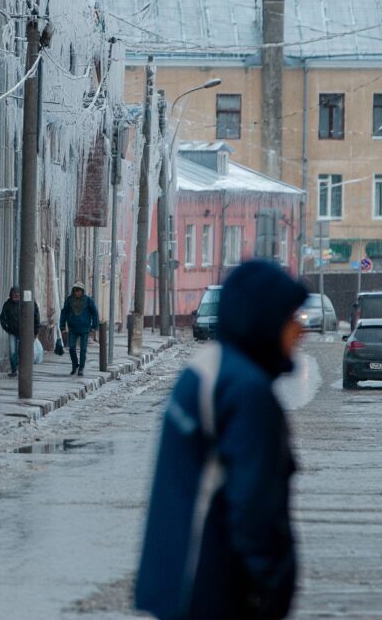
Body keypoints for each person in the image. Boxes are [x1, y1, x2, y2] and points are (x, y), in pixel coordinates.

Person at [136, 261, 308, 620]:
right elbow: (254, 507)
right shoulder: (247, 391)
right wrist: (270, 590)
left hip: (177, 582)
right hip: (217, 590)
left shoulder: (206, 370)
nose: (300, 330)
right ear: (264, 319)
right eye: (291, 317)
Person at [59, 281, 100, 376]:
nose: (77, 292)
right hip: (73, 328)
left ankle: (81, 367)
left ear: (82, 291)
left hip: (85, 328)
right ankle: (75, 365)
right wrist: (62, 326)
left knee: (83, 349)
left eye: (79, 290)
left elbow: (94, 313)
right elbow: (64, 313)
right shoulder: (69, 300)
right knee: (72, 348)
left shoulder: (88, 300)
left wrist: (94, 326)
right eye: (75, 290)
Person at [0, 286, 40, 378]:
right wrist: (7, 328)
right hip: (12, 332)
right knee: (13, 351)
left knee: (22, 351)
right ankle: (14, 370)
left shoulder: (28, 304)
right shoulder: (8, 304)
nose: (16, 297)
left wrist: (35, 331)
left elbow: (36, 317)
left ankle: (22, 369)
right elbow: (2, 318)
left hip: (25, 333)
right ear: (11, 295)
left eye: (17, 295)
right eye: (14, 295)